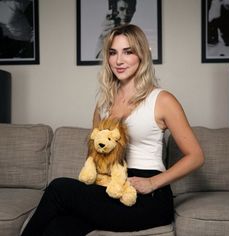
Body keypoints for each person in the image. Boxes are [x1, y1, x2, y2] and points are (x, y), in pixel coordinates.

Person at [21, 24, 204, 236]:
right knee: (57, 227)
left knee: (58, 188)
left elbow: (196, 156)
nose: (119, 60)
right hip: (111, 188)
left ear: (142, 55)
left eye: (128, 51)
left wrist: (153, 182)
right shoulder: (104, 103)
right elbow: (96, 154)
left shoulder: (162, 100)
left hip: (148, 198)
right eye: (113, 52)